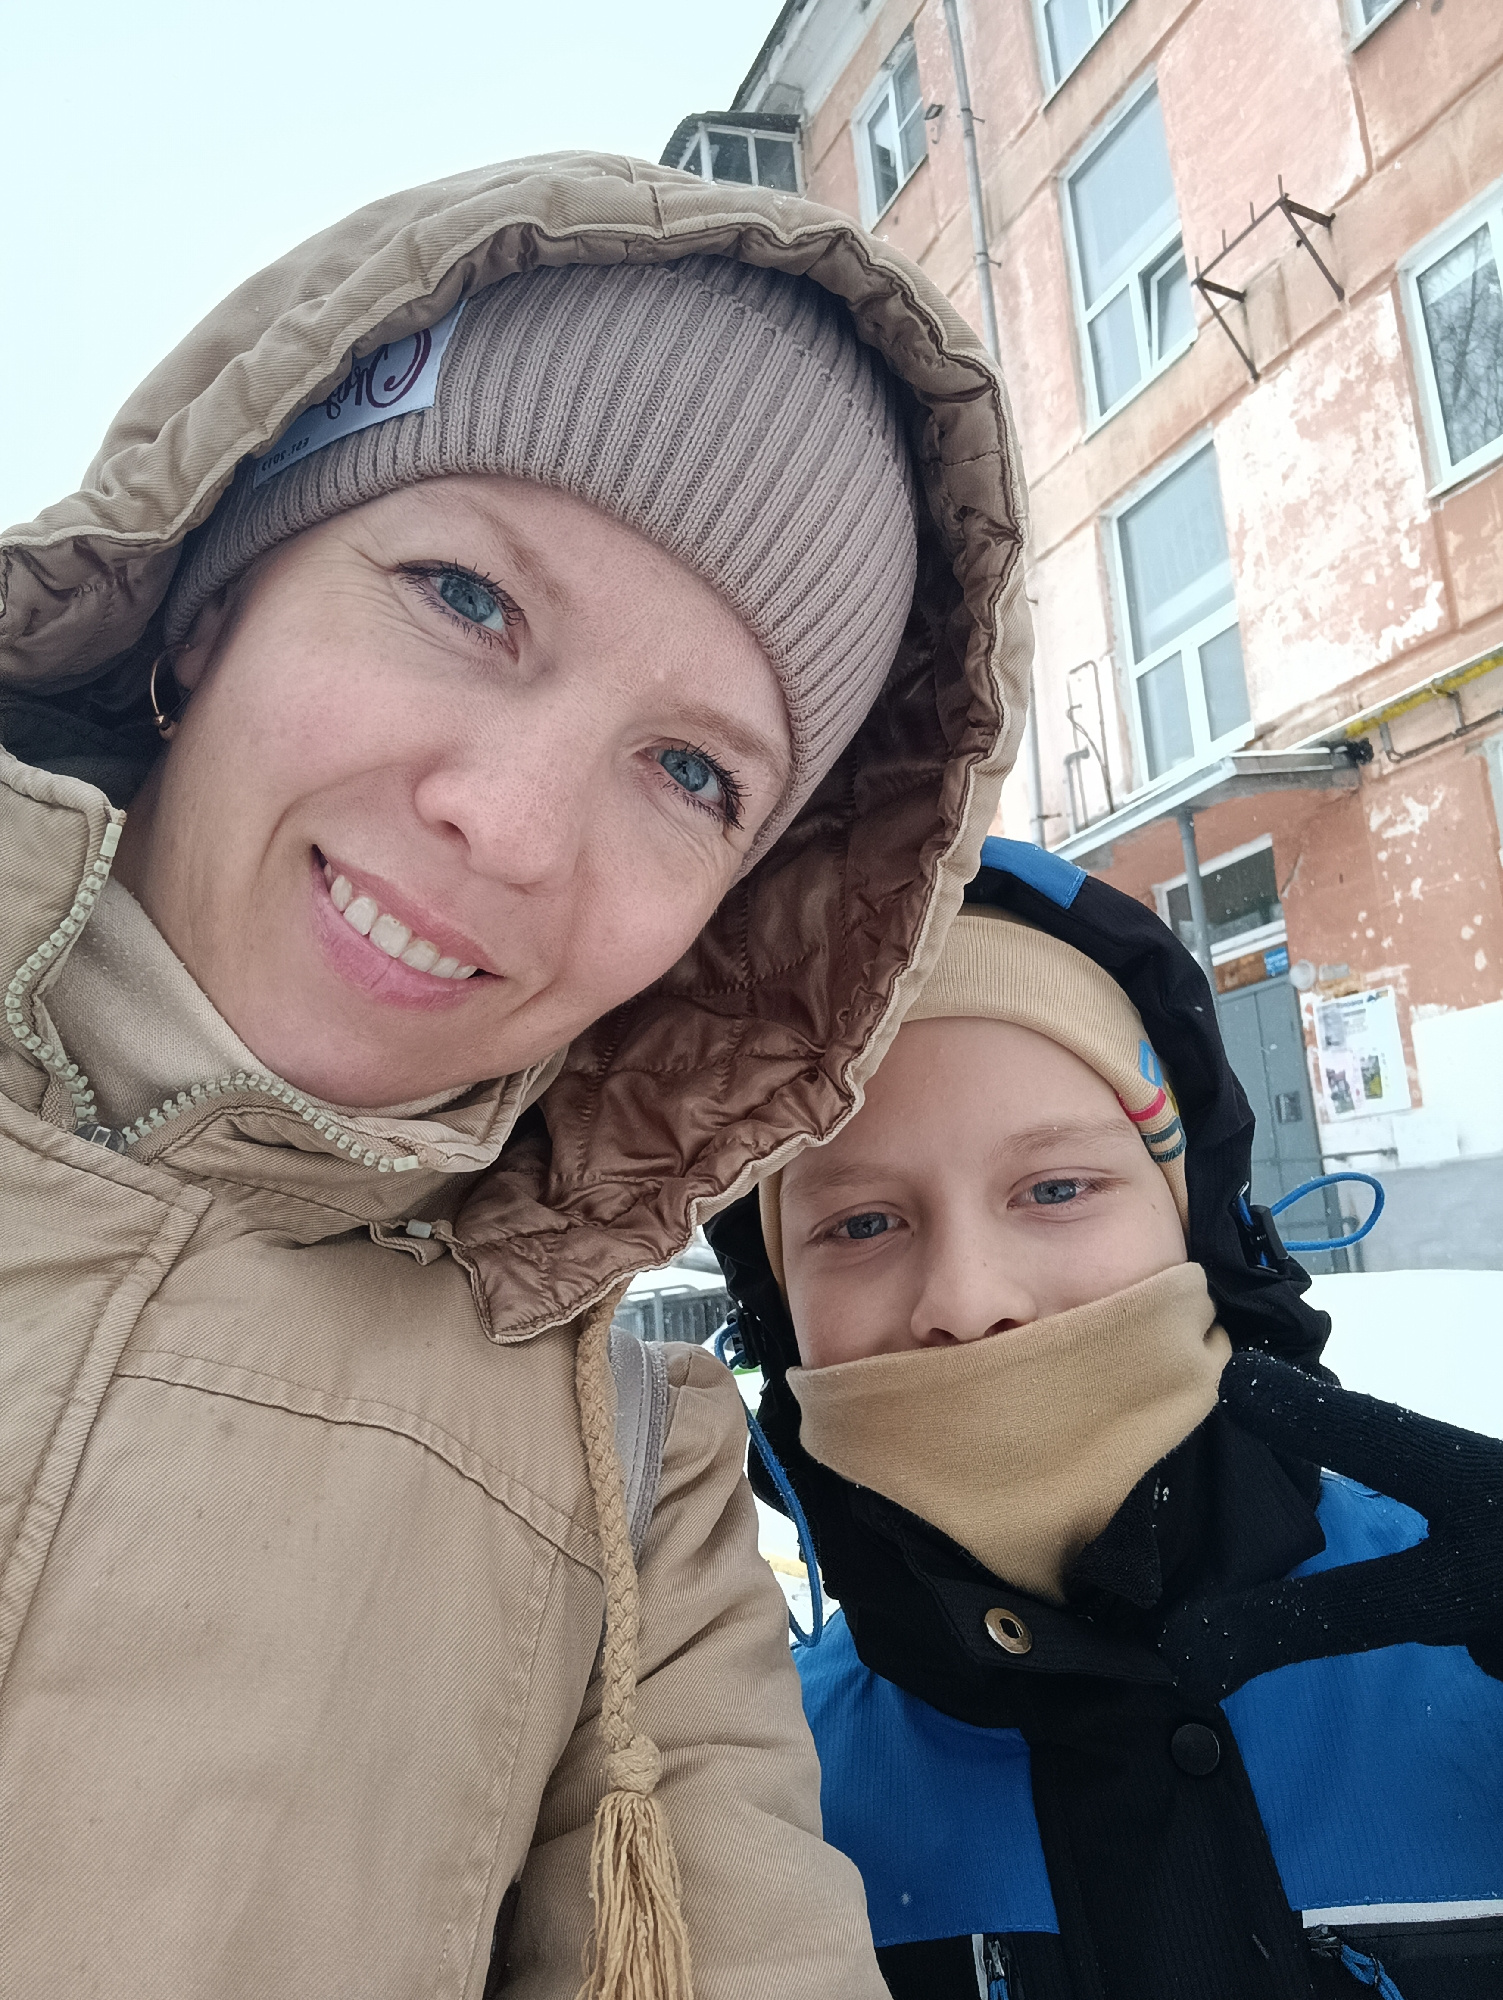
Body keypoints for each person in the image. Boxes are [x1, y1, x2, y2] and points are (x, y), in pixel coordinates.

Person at [0, 156, 1036, 1998]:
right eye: (465, 596)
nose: (513, 823)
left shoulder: (626, 1494)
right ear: (214, 594)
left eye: (692, 774)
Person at [708, 838, 1503, 2000]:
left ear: (1195, 1228)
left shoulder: (1470, 1640)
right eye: (861, 1222)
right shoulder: (751, 1800)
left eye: (1056, 1187)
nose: (969, 1300)